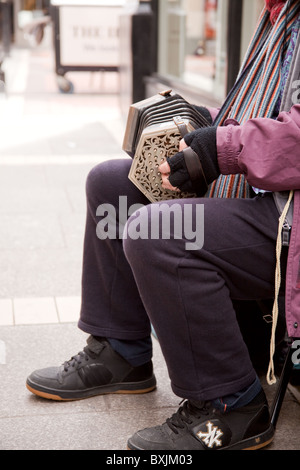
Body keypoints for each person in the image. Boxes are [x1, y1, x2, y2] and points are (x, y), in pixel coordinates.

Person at [26, 0, 300, 450]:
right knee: (113, 184)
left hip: (286, 216)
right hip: (258, 193)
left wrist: (221, 149)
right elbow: (260, 115)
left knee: (157, 231)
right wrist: (198, 125)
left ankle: (231, 404)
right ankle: (122, 352)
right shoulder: (276, 16)